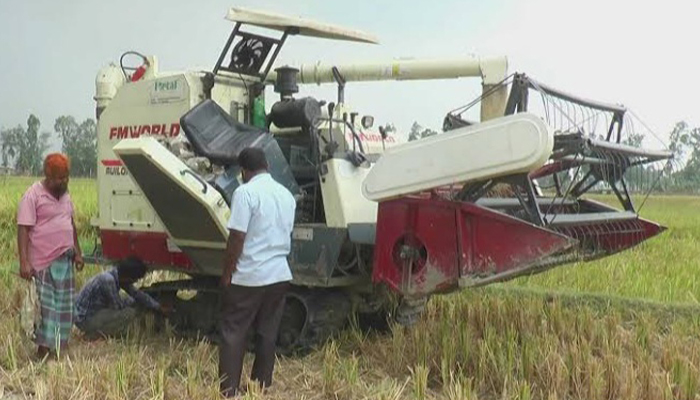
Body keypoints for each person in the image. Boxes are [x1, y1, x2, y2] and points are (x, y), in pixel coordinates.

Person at [219, 147, 296, 398]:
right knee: (267, 332)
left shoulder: (245, 192)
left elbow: (237, 237)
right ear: (267, 167)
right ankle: (260, 386)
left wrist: (228, 272)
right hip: (279, 275)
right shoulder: (287, 195)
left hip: (250, 276)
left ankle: (228, 391)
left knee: (233, 330)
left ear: (243, 171)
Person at [17, 153, 84, 360]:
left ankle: (58, 347)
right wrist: (24, 262)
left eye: (66, 177)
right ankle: (43, 351)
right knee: (47, 309)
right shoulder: (33, 195)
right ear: (48, 175)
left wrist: (78, 252)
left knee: (64, 307)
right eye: (59, 178)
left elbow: (70, 225)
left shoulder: (66, 196)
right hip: (43, 262)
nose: (63, 182)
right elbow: (23, 229)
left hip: (65, 260)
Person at [73, 256, 167, 338]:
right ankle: (96, 334)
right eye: (135, 279)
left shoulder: (118, 276)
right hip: (85, 319)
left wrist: (157, 306)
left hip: (87, 313)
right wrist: (133, 303)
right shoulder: (108, 280)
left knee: (127, 302)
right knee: (129, 314)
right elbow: (117, 307)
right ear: (129, 277)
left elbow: (137, 294)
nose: (135, 282)